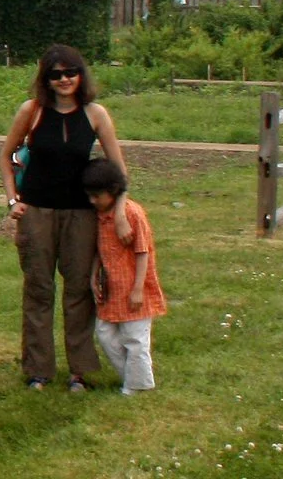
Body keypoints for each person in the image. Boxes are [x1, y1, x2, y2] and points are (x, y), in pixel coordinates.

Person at [0, 45, 129, 391]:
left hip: (81, 214)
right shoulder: (33, 111)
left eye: (70, 72)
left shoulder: (96, 114)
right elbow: (6, 156)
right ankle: (38, 371)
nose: (64, 79)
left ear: (81, 74)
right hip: (37, 212)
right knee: (39, 289)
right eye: (56, 74)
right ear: (46, 79)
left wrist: (121, 212)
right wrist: (12, 200)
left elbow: (118, 170)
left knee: (79, 290)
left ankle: (80, 372)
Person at [83, 158, 165, 395]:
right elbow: (100, 248)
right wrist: (93, 274)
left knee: (135, 338)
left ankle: (137, 385)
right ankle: (130, 376)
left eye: (97, 196)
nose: (92, 201)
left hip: (133, 288)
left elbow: (143, 252)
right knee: (105, 334)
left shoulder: (132, 214)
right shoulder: (100, 216)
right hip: (111, 289)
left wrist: (138, 288)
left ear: (113, 192)